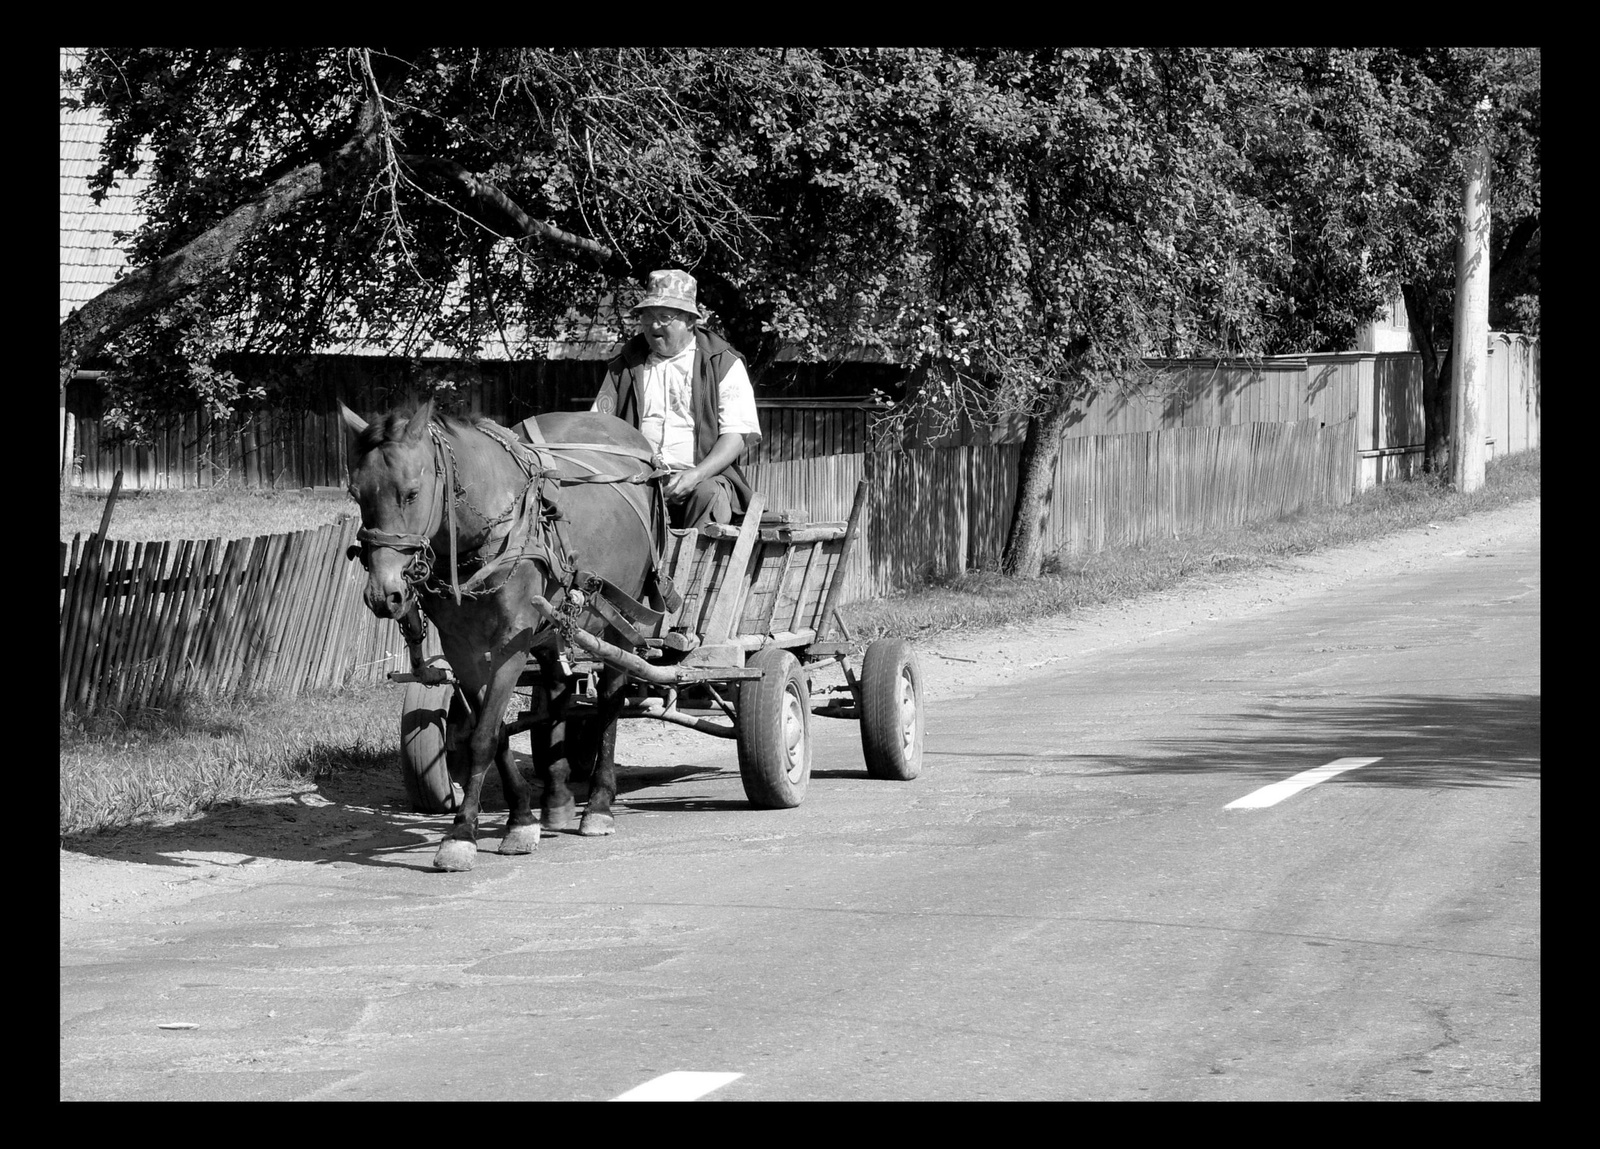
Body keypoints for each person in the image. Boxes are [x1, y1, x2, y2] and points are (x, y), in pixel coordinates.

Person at [590, 269, 762, 529]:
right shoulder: (623, 366)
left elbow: (736, 436)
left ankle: (694, 568)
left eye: (664, 317)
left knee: (709, 495)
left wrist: (695, 475)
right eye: (647, 317)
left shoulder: (722, 362)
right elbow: (596, 428)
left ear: (690, 321)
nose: (653, 326)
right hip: (635, 482)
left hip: (704, 479)